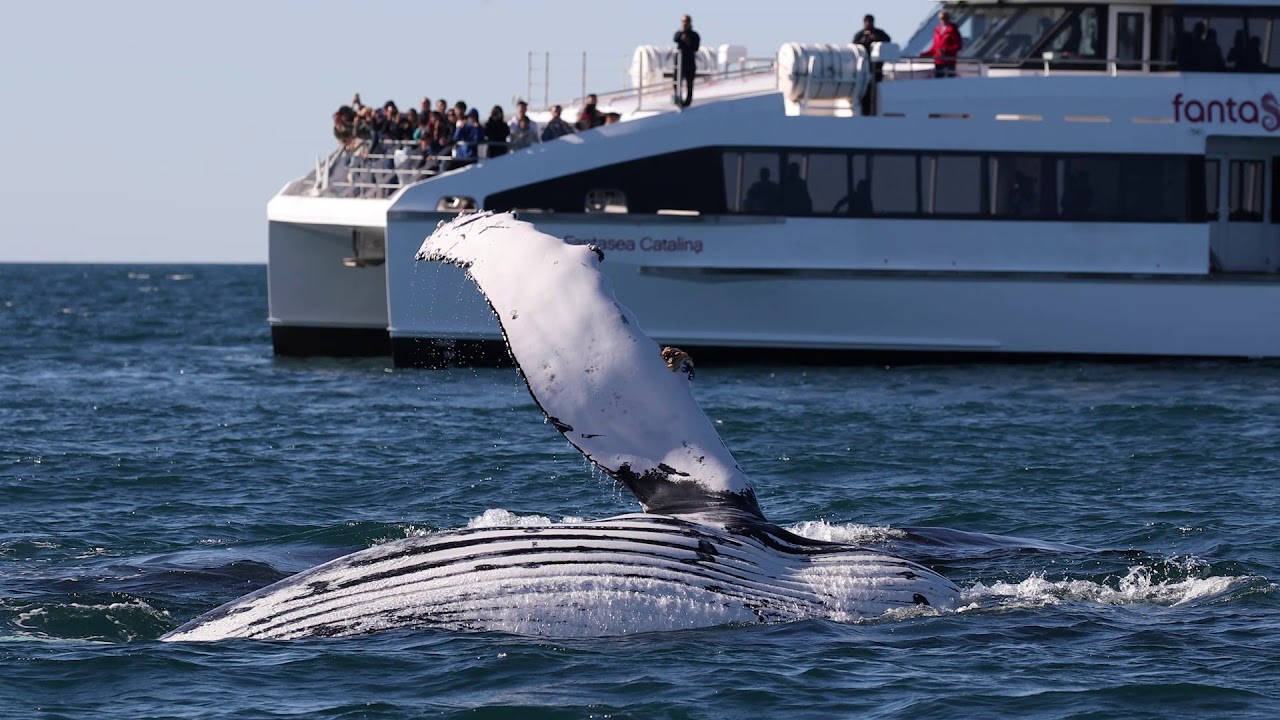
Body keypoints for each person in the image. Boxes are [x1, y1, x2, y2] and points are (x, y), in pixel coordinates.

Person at [853, 13, 891, 115]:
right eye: (867, 22)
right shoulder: (860, 35)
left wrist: (876, 39)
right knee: (864, 92)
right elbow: (854, 46)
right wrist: (863, 41)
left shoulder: (879, 33)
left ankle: (873, 111)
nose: (868, 24)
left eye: (870, 22)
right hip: (863, 69)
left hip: (876, 69)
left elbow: (888, 41)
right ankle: (865, 111)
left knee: (875, 92)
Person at [921, 10, 963, 78]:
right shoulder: (937, 30)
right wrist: (924, 54)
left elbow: (958, 46)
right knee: (938, 81)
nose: (943, 20)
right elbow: (934, 48)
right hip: (938, 61)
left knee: (950, 82)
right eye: (941, 18)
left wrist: (946, 50)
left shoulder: (953, 30)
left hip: (949, 61)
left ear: (949, 18)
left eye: (945, 18)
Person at [673, 14, 700, 107]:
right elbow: (675, 39)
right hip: (680, 63)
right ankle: (677, 98)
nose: (684, 24)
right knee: (676, 82)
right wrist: (682, 35)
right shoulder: (679, 33)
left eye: (686, 21)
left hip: (689, 63)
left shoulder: (694, 35)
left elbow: (696, 47)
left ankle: (687, 102)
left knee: (689, 83)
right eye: (683, 21)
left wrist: (688, 42)